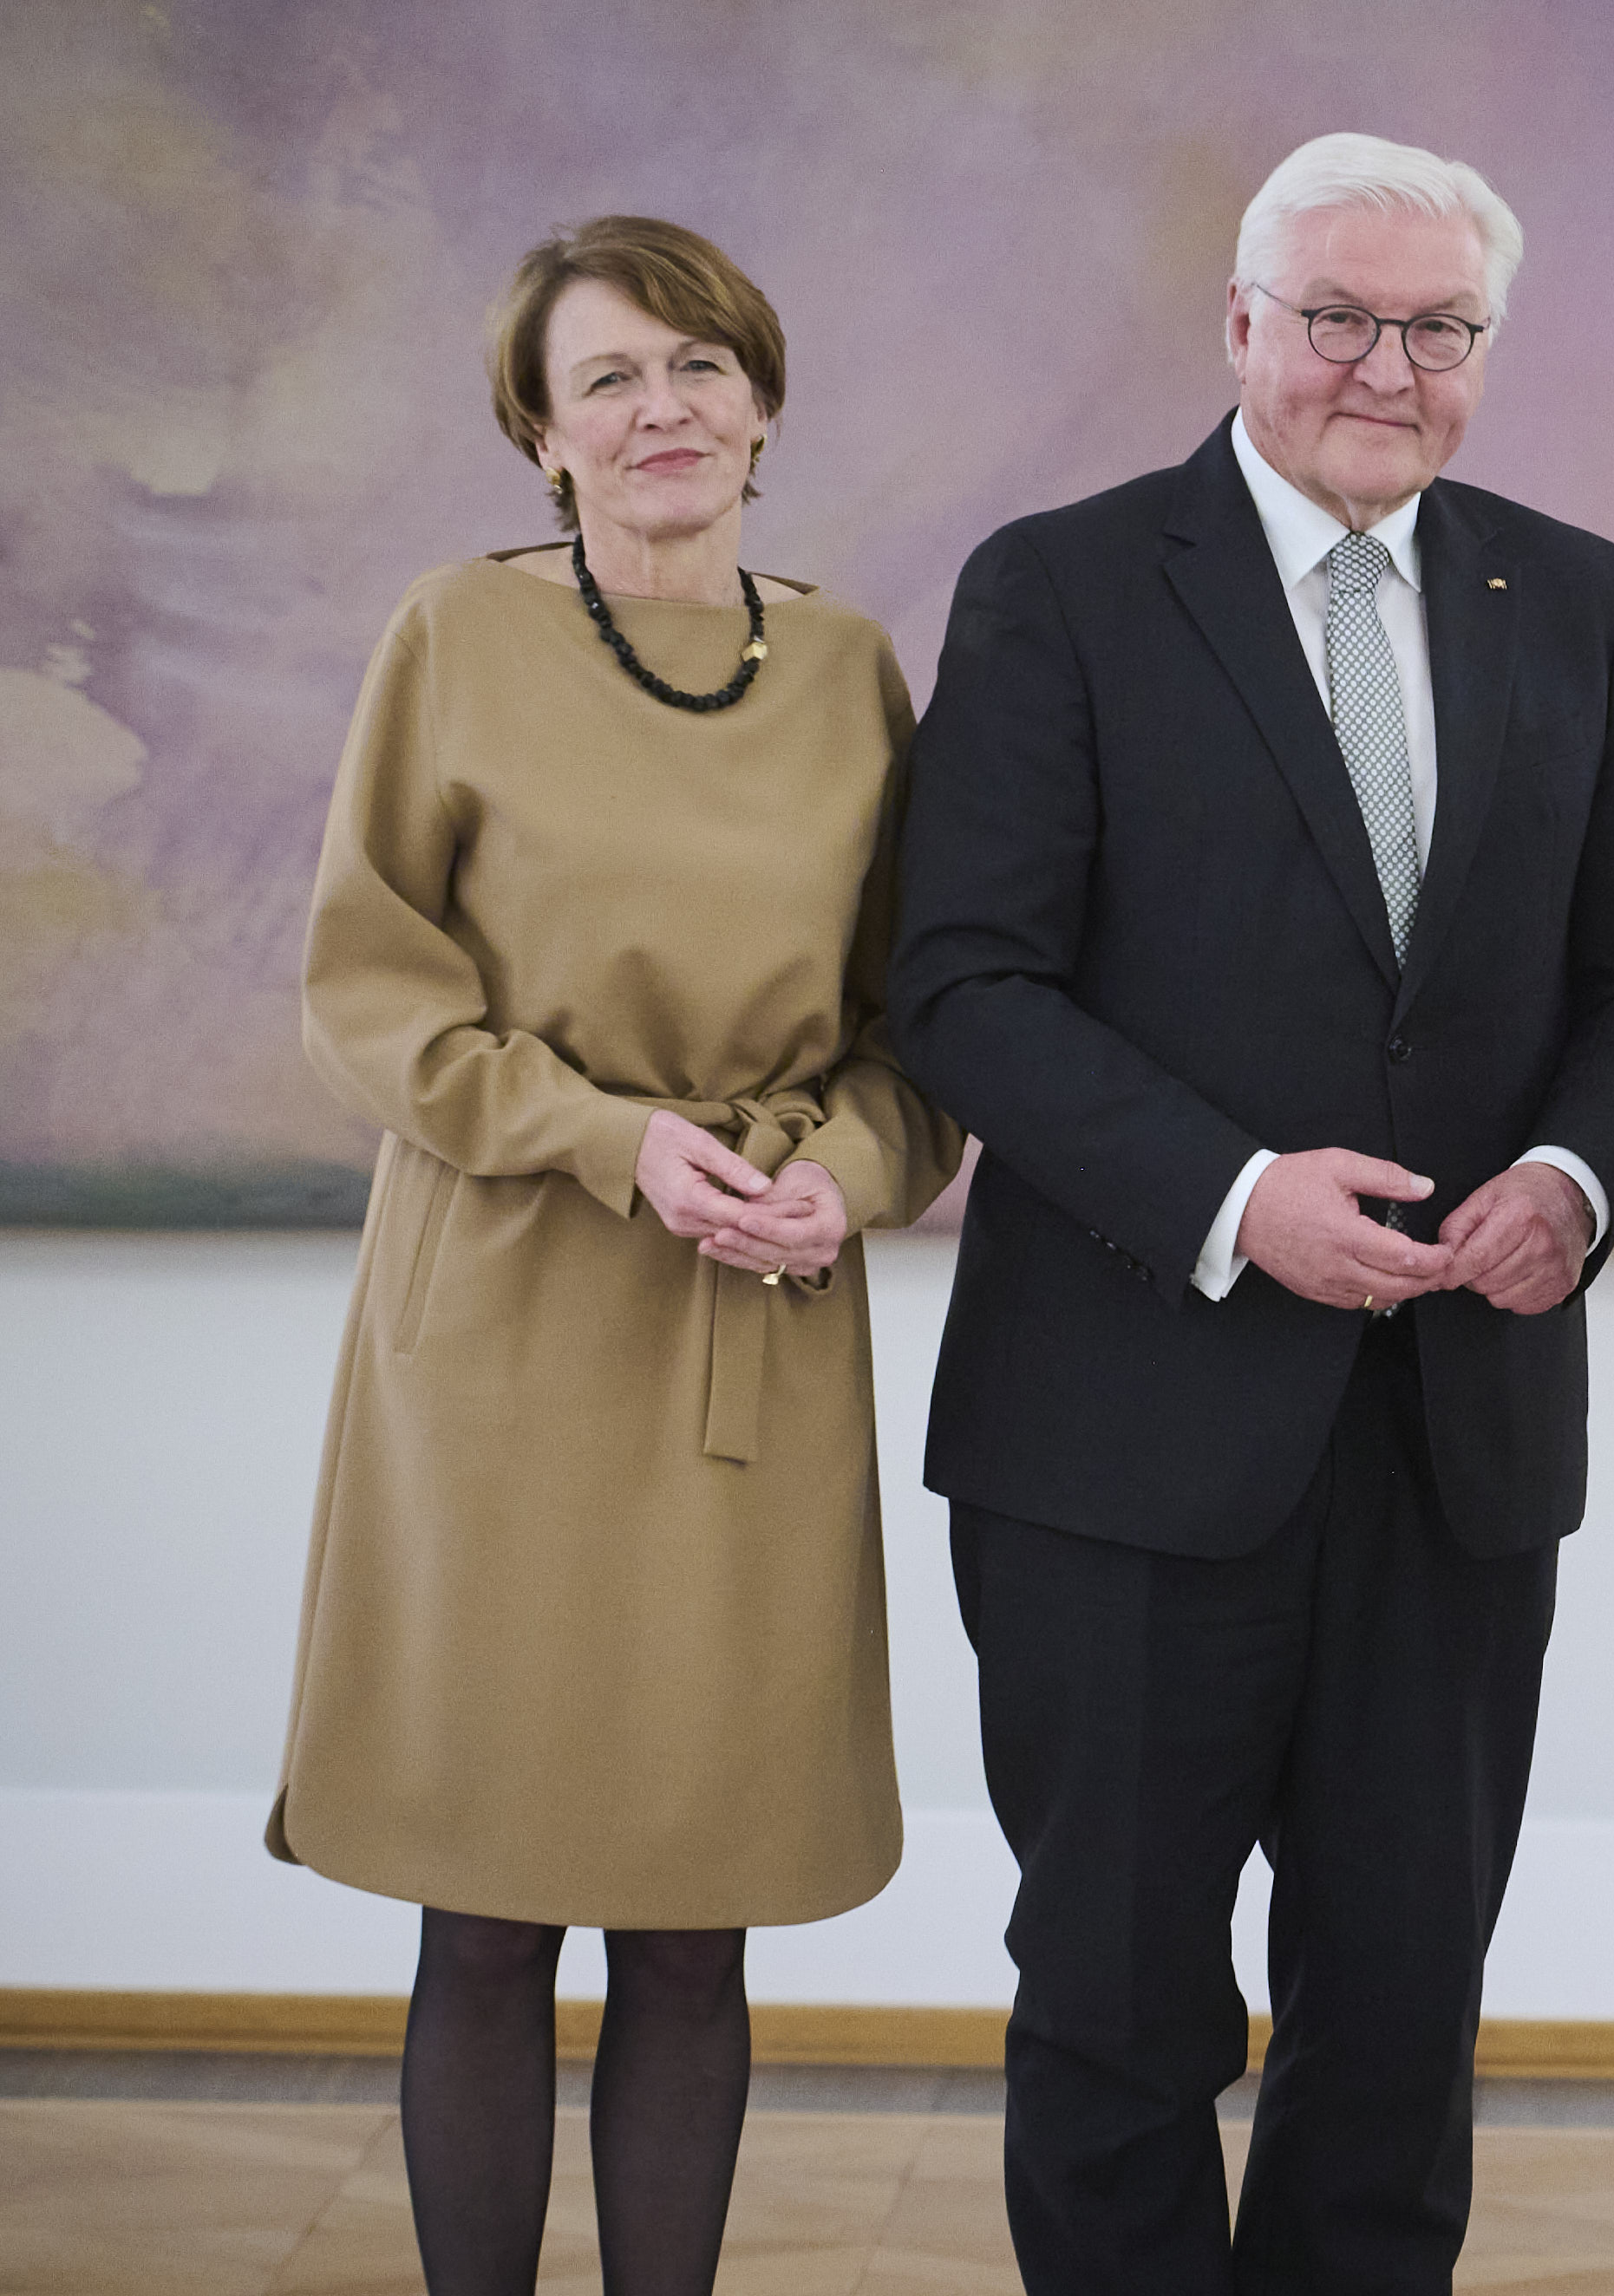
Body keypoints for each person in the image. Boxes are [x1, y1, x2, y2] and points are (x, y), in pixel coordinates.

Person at [887, 133, 1614, 2293]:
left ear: (1484, 355)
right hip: (1125, 1446)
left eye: (1434, 328)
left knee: (1399, 2017)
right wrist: (1234, 1197)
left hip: (1454, 1445)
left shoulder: (1575, 589)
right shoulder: (1059, 584)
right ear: (1238, 323)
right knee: (1119, 2011)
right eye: (1334, 314)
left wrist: (1567, 1174)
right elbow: (958, 980)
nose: (1380, 364)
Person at [271, 215, 962, 2292]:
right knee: (480, 1904)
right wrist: (605, 1138)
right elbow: (367, 993)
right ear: (540, 437)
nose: (660, 410)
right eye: (607, 382)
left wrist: (834, 1171)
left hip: (747, 1320)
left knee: (695, 1901)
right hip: (498, 1320)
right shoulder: (451, 638)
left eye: (697, 367)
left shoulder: (849, 668)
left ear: (758, 400)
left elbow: (919, 1030)